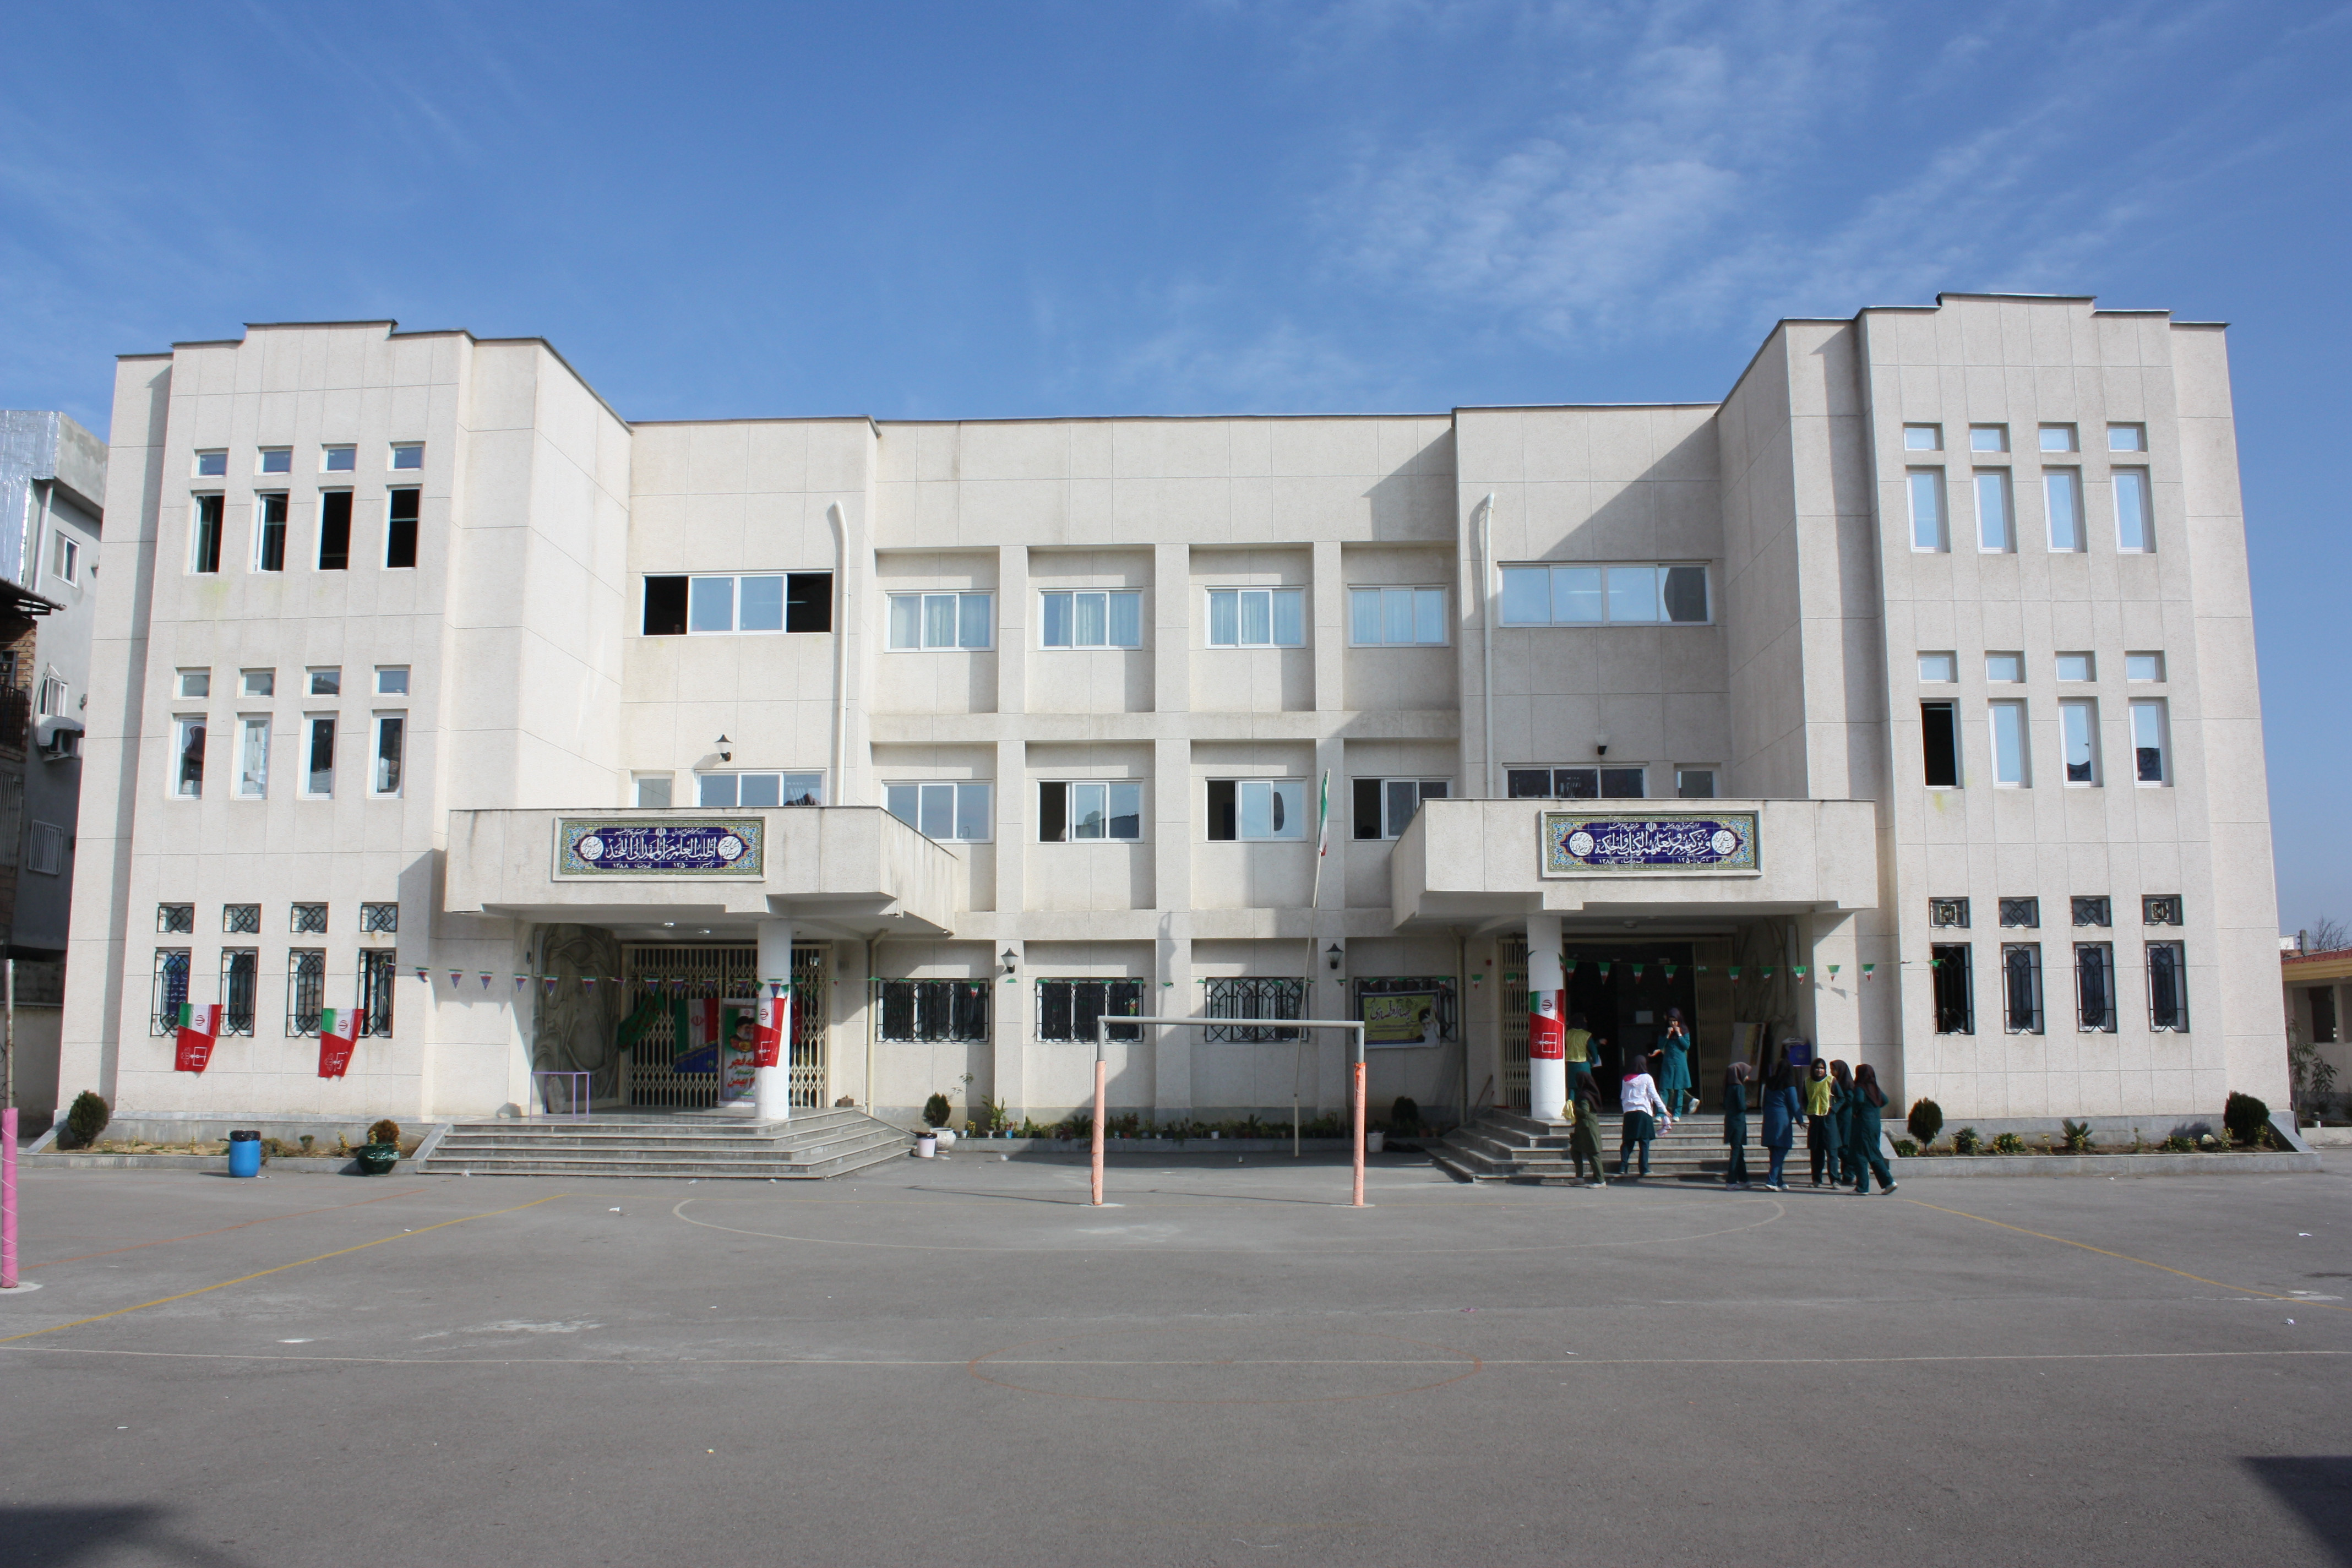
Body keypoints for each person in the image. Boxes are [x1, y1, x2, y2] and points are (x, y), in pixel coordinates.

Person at [1616, 1057, 1673, 1179]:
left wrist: (1626, 1110)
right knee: (1644, 1142)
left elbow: (1623, 1097)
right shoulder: (1647, 1078)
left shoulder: (1625, 1079)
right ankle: (1644, 1169)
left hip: (1629, 1114)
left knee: (1628, 1142)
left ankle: (1623, 1167)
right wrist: (1664, 1110)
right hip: (1643, 1113)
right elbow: (1654, 1095)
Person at [1847, 1062, 1898, 1194]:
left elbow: (1858, 1100)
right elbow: (1885, 1100)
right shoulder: (1875, 1089)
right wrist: (1873, 1109)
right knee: (1873, 1152)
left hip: (1863, 1125)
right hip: (1875, 1124)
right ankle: (1889, 1182)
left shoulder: (1860, 1087)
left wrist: (1856, 1111)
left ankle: (1862, 1188)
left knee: (1859, 1154)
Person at [1760, 1059, 1803, 1191]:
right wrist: (1800, 1120)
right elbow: (1794, 1104)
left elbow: (1764, 1102)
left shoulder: (1770, 1082)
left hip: (1769, 1118)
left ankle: (1779, 1181)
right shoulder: (1789, 1083)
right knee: (1781, 1149)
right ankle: (1772, 1181)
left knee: (1774, 1150)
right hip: (1782, 1119)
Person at [1568, 1076, 1609, 1188]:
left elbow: (1585, 1112)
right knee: (1575, 1150)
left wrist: (1573, 1107)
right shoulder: (1588, 1094)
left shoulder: (1585, 1096)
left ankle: (1600, 1180)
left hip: (1588, 1128)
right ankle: (1579, 1177)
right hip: (1582, 1128)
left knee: (1593, 1153)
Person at [1656, 1008, 1696, 1115]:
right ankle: (1661, 1113)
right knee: (1664, 1088)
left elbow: (1686, 1046)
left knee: (1679, 1089)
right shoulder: (1665, 1031)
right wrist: (1667, 1036)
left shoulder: (1684, 1030)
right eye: (1671, 1021)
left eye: (1675, 1021)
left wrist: (1679, 1035)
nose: (1673, 1023)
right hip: (1668, 1062)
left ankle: (1677, 1113)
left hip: (1680, 1063)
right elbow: (1660, 1046)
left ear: (1679, 1021)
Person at [1803, 1058, 1835, 1186]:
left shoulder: (1831, 1081)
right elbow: (1804, 1099)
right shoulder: (1807, 1082)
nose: (1819, 1070)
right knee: (1816, 1152)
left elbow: (1842, 1098)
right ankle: (1816, 1179)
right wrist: (1807, 1111)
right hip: (1814, 1120)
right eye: (1817, 1068)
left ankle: (1835, 1180)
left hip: (1828, 1120)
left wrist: (1833, 1110)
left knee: (1831, 1152)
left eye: (1822, 1068)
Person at [1720, 1062, 1752, 1189]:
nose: (1747, 1077)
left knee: (1739, 1151)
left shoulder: (1728, 1087)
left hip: (1730, 1121)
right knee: (1736, 1151)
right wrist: (1747, 1104)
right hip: (1738, 1122)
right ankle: (1731, 1181)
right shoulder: (1739, 1087)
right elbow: (1741, 1106)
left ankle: (1744, 1179)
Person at [1828, 1059, 1858, 1189]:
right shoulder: (1838, 1082)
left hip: (1846, 1119)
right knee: (1841, 1146)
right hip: (1839, 1118)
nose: (1831, 1072)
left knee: (1844, 1147)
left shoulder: (1847, 1085)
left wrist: (1836, 1104)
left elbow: (1849, 1100)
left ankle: (1851, 1173)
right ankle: (1848, 1175)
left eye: (1833, 1069)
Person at [1564, 1012, 1599, 1102]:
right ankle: (1584, 1106)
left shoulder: (1567, 1034)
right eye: (1585, 1020)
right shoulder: (1586, 1035)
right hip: (1583, 1064)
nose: (1586, 1021)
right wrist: (1595, 1061)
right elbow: (1593, 1050)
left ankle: (1570, 1106)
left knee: (1572, 1087)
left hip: (1570, 1064)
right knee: (1585, 1087)